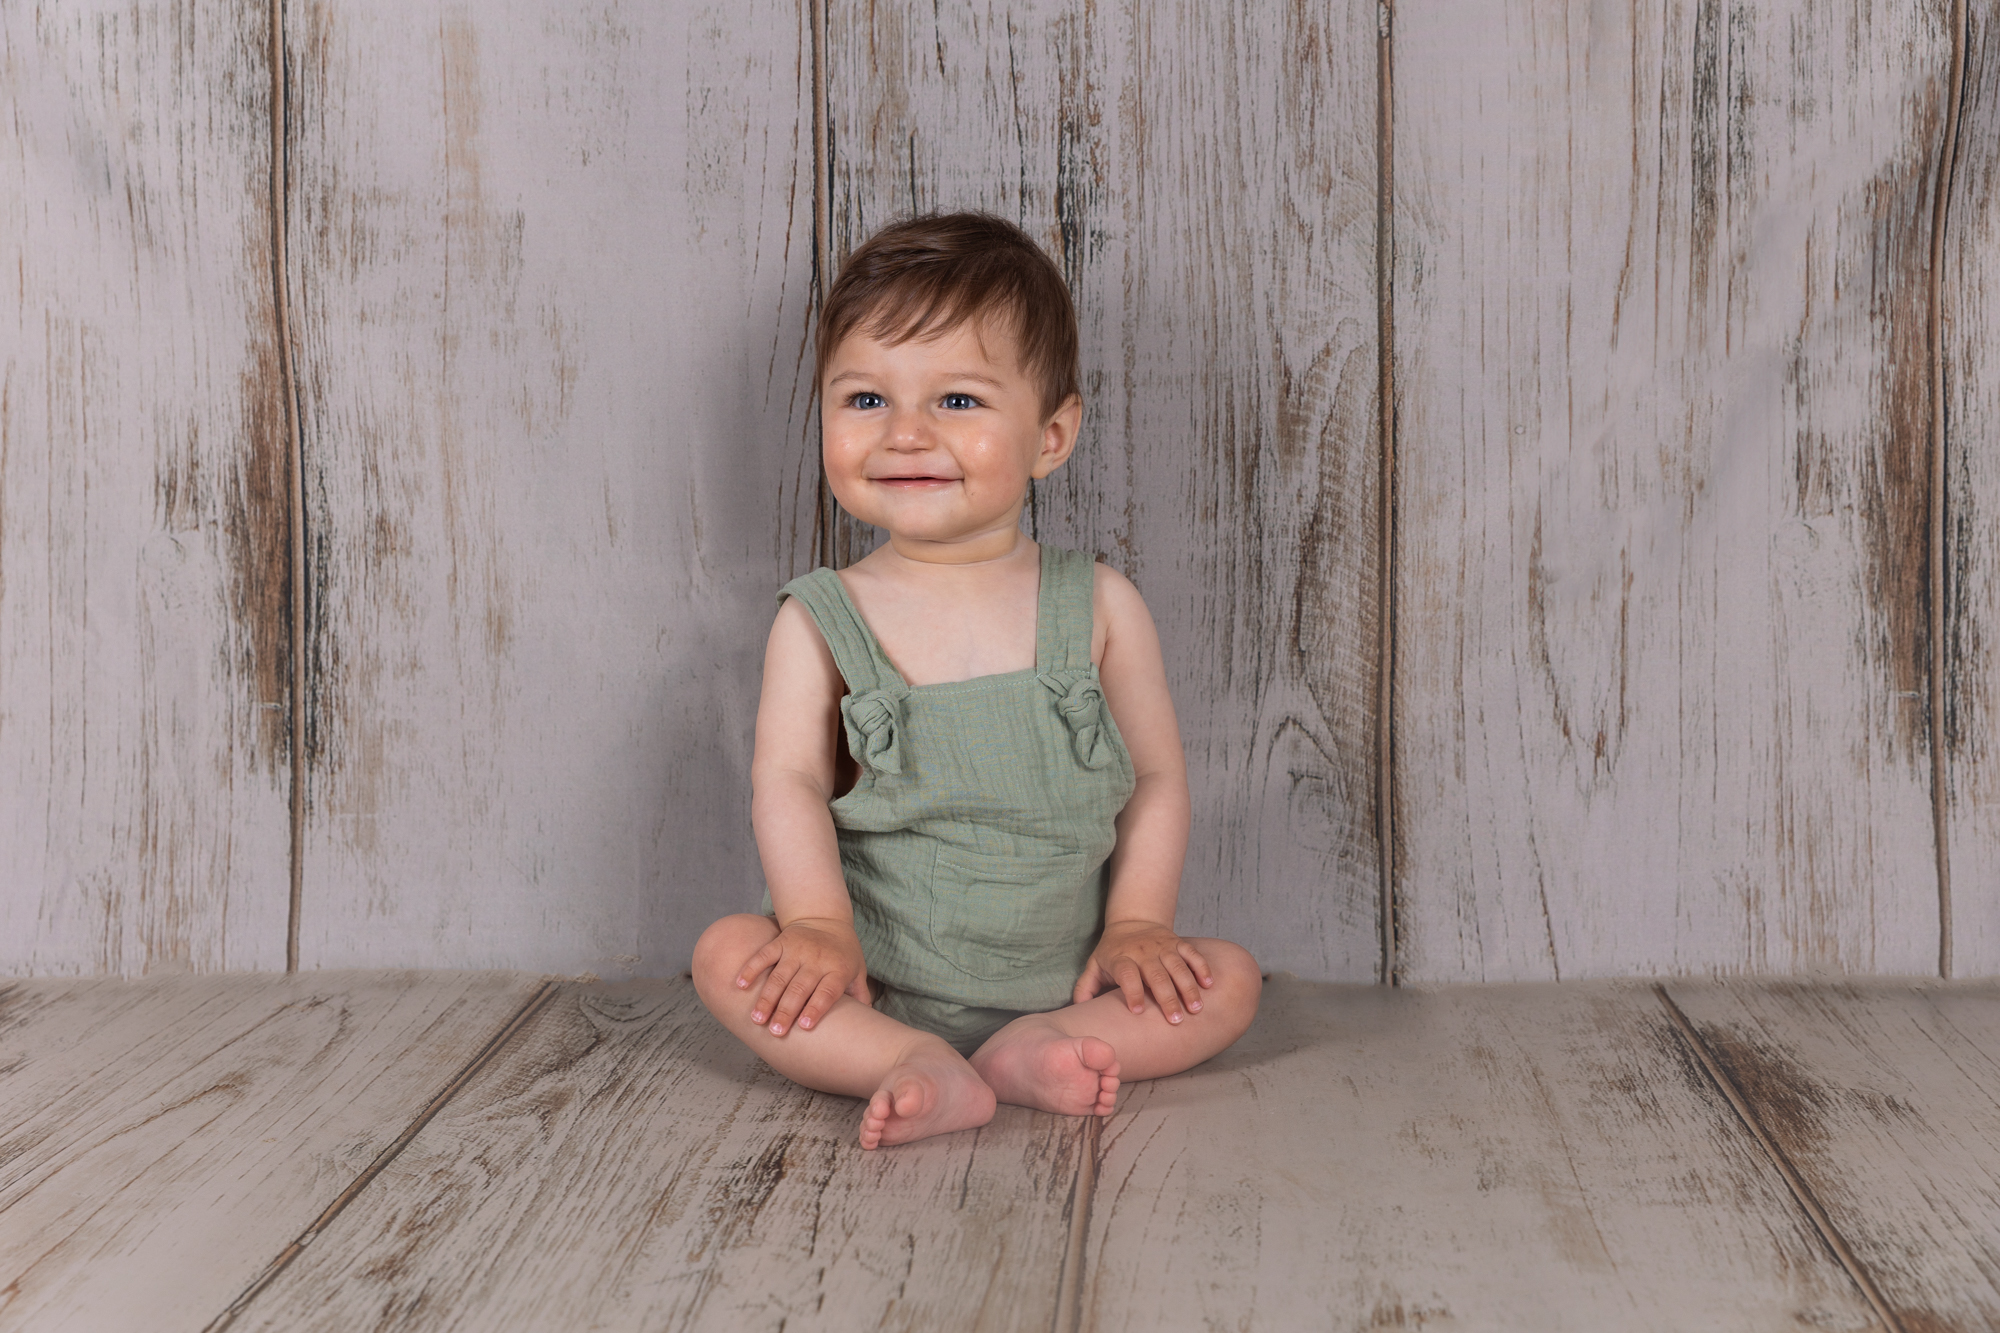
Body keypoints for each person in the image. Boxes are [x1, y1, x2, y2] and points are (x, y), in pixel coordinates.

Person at [692, 212, 1262, 1149]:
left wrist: (1139, 924)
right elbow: (787, 783)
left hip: (1068, 972)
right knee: (727, 954)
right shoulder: (820, 618)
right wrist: (818, 926)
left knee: (1227, 978)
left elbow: (1156, 779)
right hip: (869, 974)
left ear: (1051, 434)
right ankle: (899, 1055)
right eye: (865, 399)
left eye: (956, 401)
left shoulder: (1101, 607)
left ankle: (1037, 1046)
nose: (906, 433)